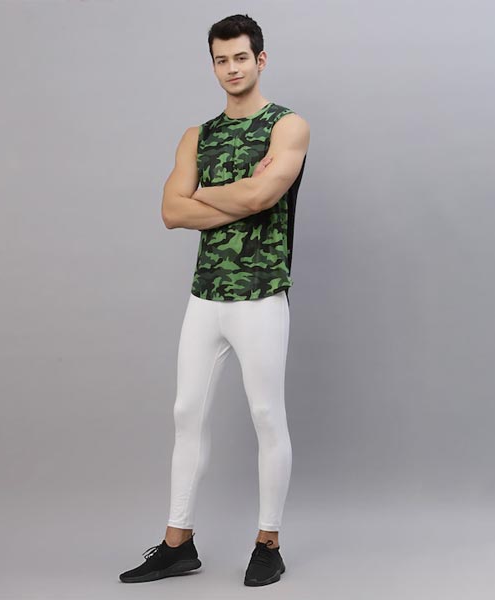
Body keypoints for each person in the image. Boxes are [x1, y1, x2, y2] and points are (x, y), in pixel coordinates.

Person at [119, 13, 309, 587]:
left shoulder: (287, 126)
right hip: (205, 297)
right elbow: (170, 211)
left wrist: (203, 194)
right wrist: (238, 194)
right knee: (186, 413)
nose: (231, 69)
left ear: (260, 60)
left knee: (266, 415)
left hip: (260, 294)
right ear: (213, 65)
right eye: (221, 60)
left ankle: (268, 543)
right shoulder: (196, 136)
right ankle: (178, 543)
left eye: (241, 58)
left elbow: (261, 196)